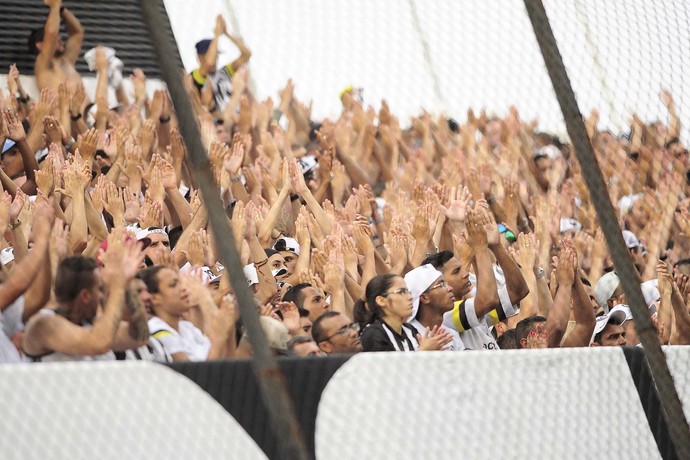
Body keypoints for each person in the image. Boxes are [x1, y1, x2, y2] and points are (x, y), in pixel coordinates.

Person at [22, 232, 148, 362]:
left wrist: (128, 283)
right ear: (85, 296)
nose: (101, 295)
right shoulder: (44, 325)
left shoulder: (94, 323)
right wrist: (118, 286)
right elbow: (98, 343)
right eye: (99, 289)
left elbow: (139, 336)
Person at [139, 265, 236, 362]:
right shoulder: (155, 329)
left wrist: (229, 330)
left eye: (181, 283)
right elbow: (195, 375)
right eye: (173, 285)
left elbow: (228, 365)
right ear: (155, 298)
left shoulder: (187, 328)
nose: (183, 288)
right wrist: (219, 337)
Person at [358, 274, 452, 352]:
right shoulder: (373, 334)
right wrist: (423, 352)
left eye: (408, 292)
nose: (410, 297)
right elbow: (388, 372)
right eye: (401, 292)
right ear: (381, 301)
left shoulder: (410, 330)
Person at [191, 15, 252, 113]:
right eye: (212, 54)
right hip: (216, 121)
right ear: (200, 57)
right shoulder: (196, 75)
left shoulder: (223, 72)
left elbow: (246, 54)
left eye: (217, 55)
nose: (215, 58)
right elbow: (208, 64)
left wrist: (226, 33)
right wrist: (216, 36)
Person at [29, 0, 85, 93]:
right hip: (65, 108)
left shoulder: (66, 60)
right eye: (56, 36)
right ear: (40, 45)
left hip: (91, 107)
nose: (60, 37)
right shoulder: (42, 64)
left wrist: (60, 9)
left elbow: (77, 33)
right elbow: (51, 33)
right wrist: (54, 6)